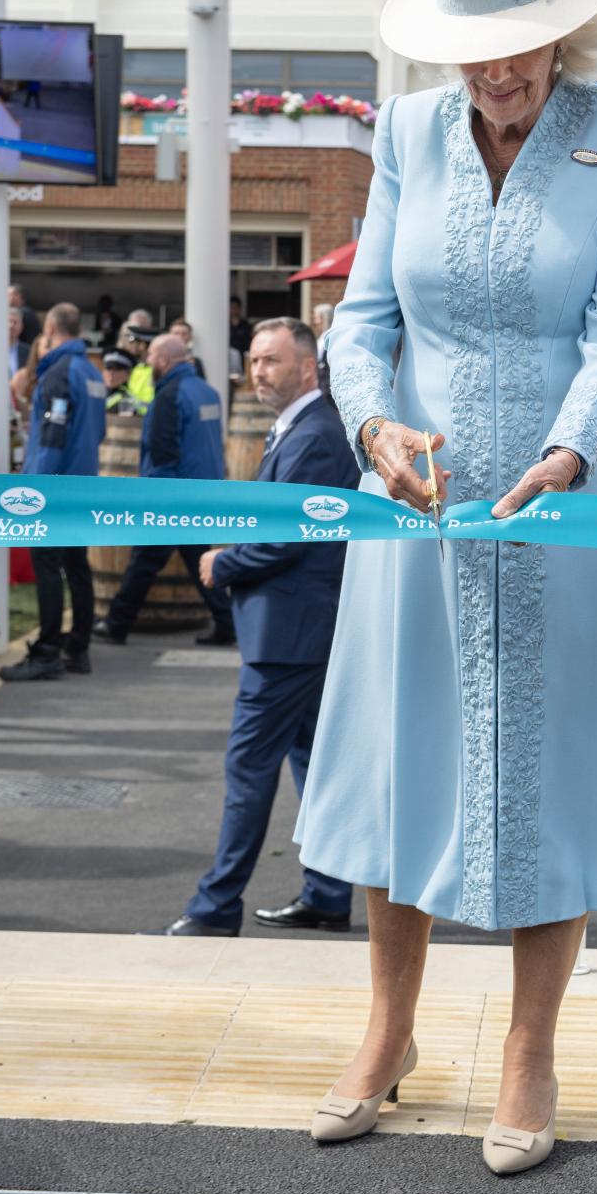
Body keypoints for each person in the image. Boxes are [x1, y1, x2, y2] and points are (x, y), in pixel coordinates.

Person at [294, 0, 597, 1175]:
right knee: (401, 749)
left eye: (514, 41)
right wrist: (374, 427)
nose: (493, 70)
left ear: (564, 28)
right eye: (467, 43)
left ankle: (531, 1049)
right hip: (414, 502)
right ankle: (387, 1032)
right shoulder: (406, 131)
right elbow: (360, 320)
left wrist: (566, 451)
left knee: (563, 762)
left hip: (572, 493)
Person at [155, 319, 361, 938]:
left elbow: (293, 532)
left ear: (306, 367)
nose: (257, 371)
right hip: (295, 630)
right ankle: (327, 894)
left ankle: (215, 908)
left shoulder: (317, 434)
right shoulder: (301, 427)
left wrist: (226, 561)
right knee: (311, 763)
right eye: (252, 359)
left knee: (248, 770)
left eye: (270, 360)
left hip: (289, 635)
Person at [91, 335, 235, 647]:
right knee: (195, 558)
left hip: (174, 497)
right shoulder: (209, 393)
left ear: (166, 360)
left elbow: (161, 454)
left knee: (144, 561)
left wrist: (154, 501)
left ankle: (117, 624)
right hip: (203, 492)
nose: (147, 362)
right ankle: (226, 623)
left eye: (152, 356)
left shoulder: (169, 396)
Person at [0, 303, 106, 682]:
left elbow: (51, 439)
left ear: (49, 327)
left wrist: (33, 492)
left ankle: (46, 652)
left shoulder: (57, 373)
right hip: (83, 484)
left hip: (55, 488)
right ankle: (77, 648)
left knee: (48, 568)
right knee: (77, 566)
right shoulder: (91, 373)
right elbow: (100, 433)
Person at [120, 310, 158, 410]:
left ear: (142, 345)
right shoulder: (138, 367)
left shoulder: (158, 369)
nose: (129, 343)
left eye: (132, 340)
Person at [102, 347, 148, 415]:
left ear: (128, 374)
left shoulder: (129, 401)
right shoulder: (94, 392)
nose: (111, 373)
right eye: (108, 368)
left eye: (117, 369)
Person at [8, 307, 28, 378]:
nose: (11, 325)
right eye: (9, 321)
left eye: (15, 322)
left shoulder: (28, 352)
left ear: (21, 327)